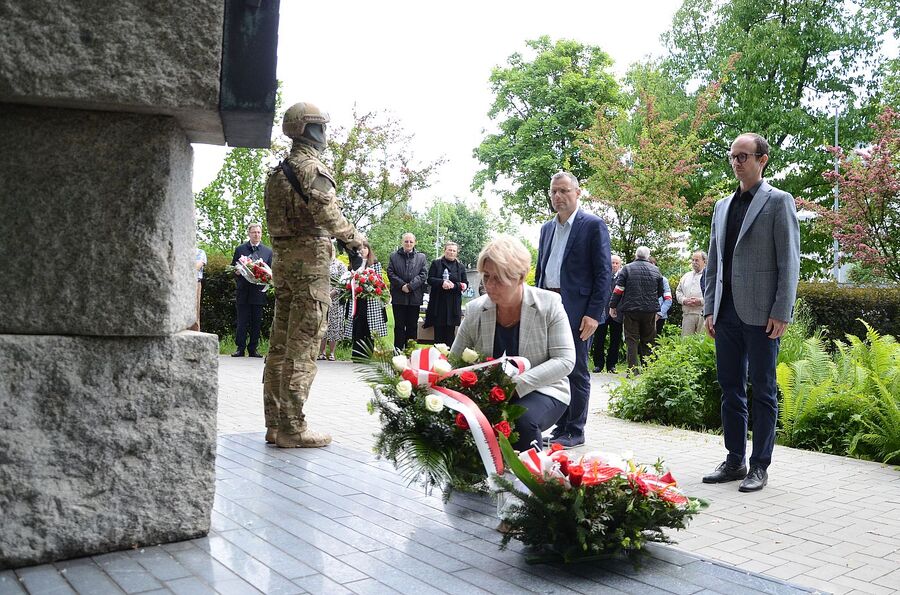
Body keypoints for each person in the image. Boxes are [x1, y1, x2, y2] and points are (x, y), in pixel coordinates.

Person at [701, 133, 800, 492]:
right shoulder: (721, 206)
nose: (737, 162)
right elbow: (714, 263)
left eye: (744, 156)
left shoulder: (778, 201)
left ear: (762, 160)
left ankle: (760, 465)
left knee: (763, 389)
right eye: (733, 156)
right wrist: (710, 307)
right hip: (725, 313)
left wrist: (782, 310)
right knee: (730, 389)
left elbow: (789, 261)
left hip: (762, 314)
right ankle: (734, 461)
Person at [262, 101, 364, 448]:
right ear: (309, 129)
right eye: (321, 126)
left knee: (279, 345)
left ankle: (274, 424)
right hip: (310, 262)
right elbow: (327, 212)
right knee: (303, 345)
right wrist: (354, 239)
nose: (325, 133)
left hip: (283, 261)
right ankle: (293, 427)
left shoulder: (277, 173)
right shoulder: (312, 169)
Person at [452, 235, 575, 452]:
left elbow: (565, 360)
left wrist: (514, 387)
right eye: (486, 276)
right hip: (490, 393)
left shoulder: (549, 304)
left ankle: (530, 482)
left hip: (545, 389)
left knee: (520, 421)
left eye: (498, 278)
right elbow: (454, 360)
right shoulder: (475, 310)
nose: (489, 286)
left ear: (520, 277)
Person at [535, 172, 611, 449]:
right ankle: (561, 427)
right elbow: (542, 271)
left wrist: (593, 313)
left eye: (564, 191)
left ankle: (576, 429)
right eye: (554, 191)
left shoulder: (592, 225)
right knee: (555, 368)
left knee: (577, 368)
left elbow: (604, 274)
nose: (558, 197)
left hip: (579, 311)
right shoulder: (546, 228)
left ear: (577, 193)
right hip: (549, 306)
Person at [608, 246, 668, 371]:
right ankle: (648, 369)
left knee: (631, 339)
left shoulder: (627, 268)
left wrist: (613, 306)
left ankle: (632, 369)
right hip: (650, 311)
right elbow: (661, 291)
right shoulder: (656, 270)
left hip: (631, 310)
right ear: (647, 256)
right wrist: (651, 300)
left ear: (636, 255)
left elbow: (618, 289)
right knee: (648, 339)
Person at [230, 222, 273, 357]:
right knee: (242, 321)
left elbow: (271, 272)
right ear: (249, 234)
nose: (256, 234)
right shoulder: (240, 249)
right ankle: (240, 348)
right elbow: (233, 267)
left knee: (256, 322)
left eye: (259, 232)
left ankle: (253, 348)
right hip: (243, 291)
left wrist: (266, 278)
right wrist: (236, 272)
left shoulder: (268, 251)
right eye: (254, 232)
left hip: (258, 293)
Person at [344, 240, 388, 359]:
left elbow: (378, 281)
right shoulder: (354, 264)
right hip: (357, 300)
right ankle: (357, 354)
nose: (362, 250)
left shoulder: (375, 264)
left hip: (371, 301)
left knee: (369, 328)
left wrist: (369, 287)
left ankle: (367, 355)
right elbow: (350, 280)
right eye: (360, 249)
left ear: (369, 250)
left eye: (365, 248)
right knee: (358, 326)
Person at [423, 241, 469, 345]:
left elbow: (465, 284)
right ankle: (437, 359)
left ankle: (449, 359)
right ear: (445, 251)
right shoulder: (436, 263)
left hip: (453, 305)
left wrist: (454, 285)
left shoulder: (460, 267)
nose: (451, 252)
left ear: (456, 253)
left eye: (454, 251)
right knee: (438, 337)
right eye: (449, 250)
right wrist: (442, 282)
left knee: (450, 336)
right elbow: (429, 279)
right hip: (438, 305)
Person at [387, 233, 427, 351]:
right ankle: (398, 351)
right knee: (399, 326)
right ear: (402, 242)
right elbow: (390, 273)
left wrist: (410, 286)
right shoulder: (394, 256)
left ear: (414, 243)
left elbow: (423, 274)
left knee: (412, 327)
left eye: (410, 242)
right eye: (406, 241)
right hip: (399, 297)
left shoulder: (421, 257)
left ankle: (410, 352)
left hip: (414, 297)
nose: (408, 244)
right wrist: (402, 285)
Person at [591, 254, 623, 373]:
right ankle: (598, 364)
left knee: (615, 340)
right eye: (612, 263)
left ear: (620, 265)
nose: (614, 265)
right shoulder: (602, 275)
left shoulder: (623, 276)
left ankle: (611, 365)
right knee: (599, 339)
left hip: (617, 313)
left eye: (616, 263)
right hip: (602, 312)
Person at [318, 244, 348, 361]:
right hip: (321, 298)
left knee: (334, 326)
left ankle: (332, 353)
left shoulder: (340, 265)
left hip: (335, 300)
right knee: (322, 325)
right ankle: (321, 352)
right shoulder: (320, 264)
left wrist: (333, 293)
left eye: (332, 250)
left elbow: (344, 281)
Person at [676, 251, 707, 335]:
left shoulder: (709, 276)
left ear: (704, 261)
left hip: (703, 314)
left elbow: (713, 294)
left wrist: (700, 301)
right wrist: (684, 300)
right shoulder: (686, 276)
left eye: (697, 260)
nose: (694, 262)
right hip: (688, 314)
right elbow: (678, 291)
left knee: (701, 344)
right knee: (686, 342)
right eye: (692, 260)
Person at [648, 257, 673, 340]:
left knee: (656, 342)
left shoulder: (663, 280)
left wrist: (659, 314)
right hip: (644, 316)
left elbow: (668, 300)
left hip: (659, 317)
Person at [188, 247, 207, 331]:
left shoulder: (200, 252)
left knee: (194, 312)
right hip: (179, 284)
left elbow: (197, 267)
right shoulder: (180, 252)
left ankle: (194, 335)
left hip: (195, 283)